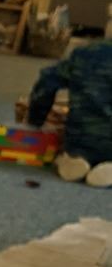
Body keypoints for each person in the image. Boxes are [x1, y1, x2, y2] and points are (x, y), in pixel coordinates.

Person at [27, 36, 112, 186]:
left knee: (80, 144)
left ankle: (76, 159)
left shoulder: (85, 53)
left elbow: (47, 83)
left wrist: (35, 119)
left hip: (80, 139)